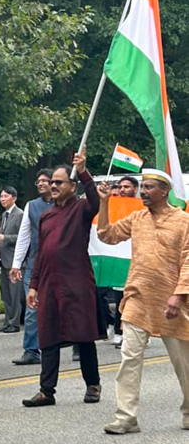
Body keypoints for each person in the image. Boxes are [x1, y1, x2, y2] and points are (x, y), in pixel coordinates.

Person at [98, 170, 189, 434]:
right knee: (129, 359)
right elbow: (107, 235)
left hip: (173, 303)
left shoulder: (184, 222)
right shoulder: (137, 218)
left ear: (164, 191)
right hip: (137, 298)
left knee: (183, 363)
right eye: (143, 187)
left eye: (149, 187)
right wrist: (104, 202)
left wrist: (178, 295)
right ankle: (126, 417)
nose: (143, 192)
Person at [23, 151, 102, 407]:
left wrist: (83, 170)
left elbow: (95, 201)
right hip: (49, 282)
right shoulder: (46, 216)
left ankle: (93, 384)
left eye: (59, 182)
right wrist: (33, 286)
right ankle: (47, 391)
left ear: (72, 186)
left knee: (83, 334)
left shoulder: (81, 208)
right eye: (52, 182)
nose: (53, 185)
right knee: (48, 336)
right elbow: (41, 254)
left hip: (77, 281)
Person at [10, 169, 54, 366]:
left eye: (46, 180)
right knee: (32, 309)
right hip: (35, 265)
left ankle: (77, 344)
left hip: (61, 266)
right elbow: (24, 236)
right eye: (39, 181)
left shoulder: (66, 204)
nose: (41, 183)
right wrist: (16, 264)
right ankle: (31, 350)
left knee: (64, 306)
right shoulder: (32, 206)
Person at [112, 176, 139, 348]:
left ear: (135, 189)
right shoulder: (114, 207)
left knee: (134, 298)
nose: (122, 190)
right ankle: (118, 330)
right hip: (118, 257)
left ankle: (136, 330)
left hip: (136, 258)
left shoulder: (142, 208)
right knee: (119, 296)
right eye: (120, 187)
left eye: (126, 186)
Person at [0, 186, 24, 333]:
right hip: (3, 259)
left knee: (14, 295)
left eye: (5, 196)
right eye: (1, 196)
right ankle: (7, 321)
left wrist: (5, 238)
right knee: (5, 294)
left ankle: (14, 323)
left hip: (14, 260)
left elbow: (23, 236)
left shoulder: (19, 214)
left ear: (14, 198)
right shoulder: (4, 215)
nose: (2, 199)